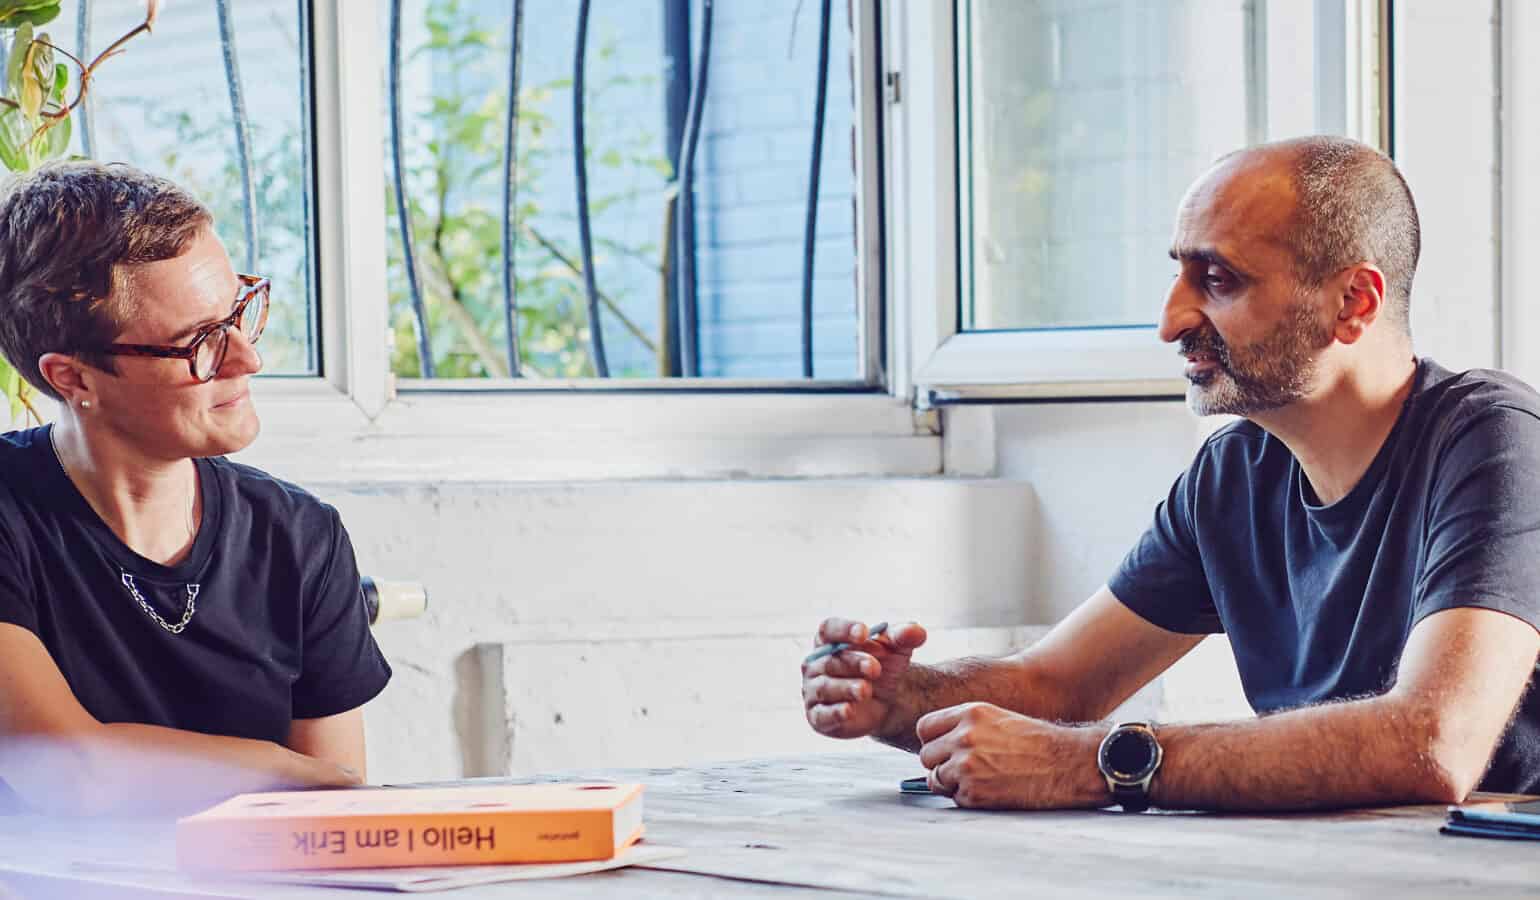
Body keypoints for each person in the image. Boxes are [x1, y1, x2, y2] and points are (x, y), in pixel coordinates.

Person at [800, 136, 1540, 811]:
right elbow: (1060, 684)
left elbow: (1434, 740)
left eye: (1217, 279)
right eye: (1179, 274)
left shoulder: (1494, 440)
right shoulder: (1234, 474)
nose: (1171, 321)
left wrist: (1097, 763)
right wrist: (903, 697)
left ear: (1353, 303)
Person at [0, 161, 392, 816]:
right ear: (74, 379)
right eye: (201, 342)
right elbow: (65, 769)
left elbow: (330, 819)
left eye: (238, 312)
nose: (247, 358)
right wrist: (277, 767)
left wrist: (303, 782)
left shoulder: (301, 537)